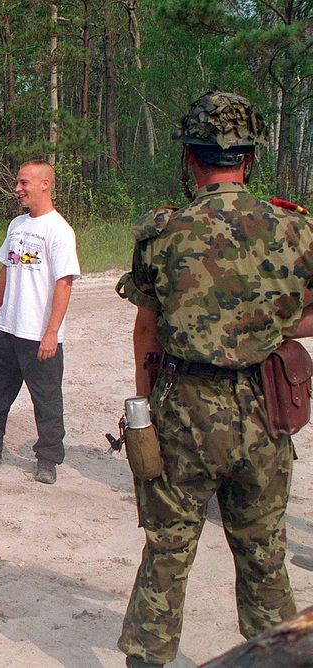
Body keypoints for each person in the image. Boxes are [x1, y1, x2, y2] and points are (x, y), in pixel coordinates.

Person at [115, 91, 313, 668]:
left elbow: (146, 330)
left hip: (186, 409)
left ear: (191, 161)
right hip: (267, 410)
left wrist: (142, 409)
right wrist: (273, 322)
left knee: (168, 551)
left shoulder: (164, 231)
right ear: (248, 159)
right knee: (264, 557)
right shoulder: (294, 229)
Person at [0, 160, 79, 485]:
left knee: (46, 399)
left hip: (38, 334)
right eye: (18, 183)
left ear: (45, 185)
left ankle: (48, 459)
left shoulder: (59, 230)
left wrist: (52, 332)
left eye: (24, 183)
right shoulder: (17, 225)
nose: (18, 189)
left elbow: (64, 283)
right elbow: (6, 270)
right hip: (7, 328)